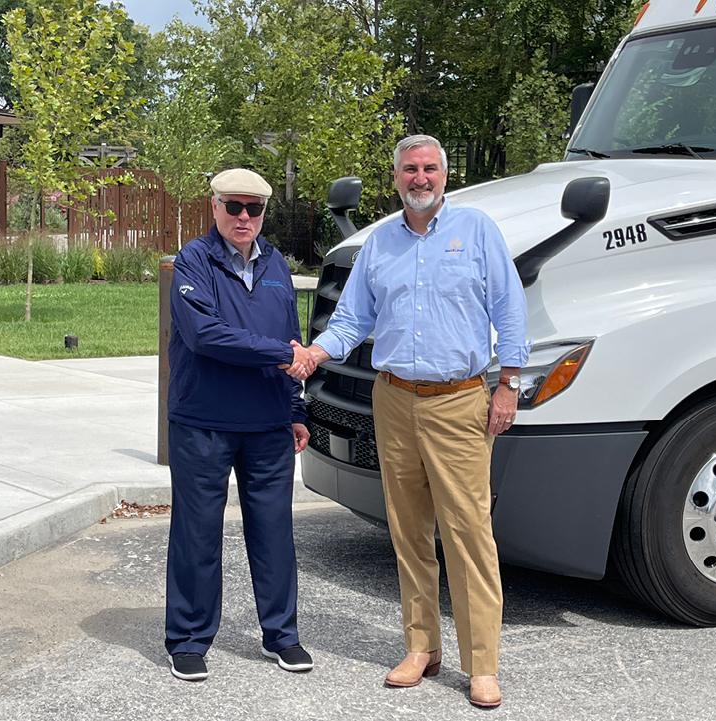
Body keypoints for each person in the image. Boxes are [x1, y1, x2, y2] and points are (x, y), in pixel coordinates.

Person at [302, 135, 529, 708]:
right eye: (409, 169)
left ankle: (482, 664)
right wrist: (313, 354)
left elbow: (509, 308)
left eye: (429, 168)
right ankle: (421, 647)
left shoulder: (477, 231)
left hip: (460, 402)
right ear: (396, 177)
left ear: (443, 175)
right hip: (394, 399)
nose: (420, 177)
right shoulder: (380, 242)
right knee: (407, 531)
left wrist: (509, 384)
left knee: (469, 533)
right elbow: (352, 319)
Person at [164, 167, 317, 682]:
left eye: (254, 208)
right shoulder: (193, 260)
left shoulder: (276, 264)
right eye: (234, 206)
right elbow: (205, 335)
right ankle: (188, 639)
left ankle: (282, 636)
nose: (244, 217)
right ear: (214, 207)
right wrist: (278, 355)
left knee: (274, 534)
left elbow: (293, 337)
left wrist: (295, 410)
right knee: (197, 534)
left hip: (269, 425)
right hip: (203, 422)